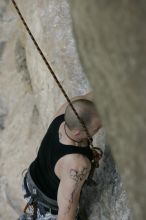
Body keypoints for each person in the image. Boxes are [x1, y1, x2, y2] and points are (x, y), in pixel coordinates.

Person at [18, 92, 102, 220]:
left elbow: (91, 97)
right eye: (96, 129)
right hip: (50, 208)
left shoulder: (66, 113)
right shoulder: (76, 165)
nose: (100, 128)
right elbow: (66, 215)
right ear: (78, 133)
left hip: (30, 183)